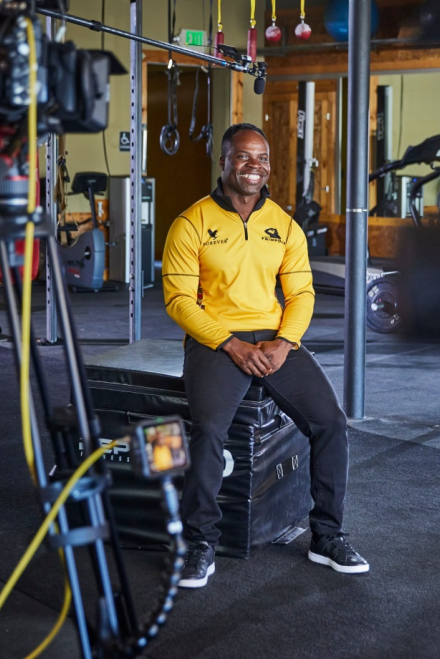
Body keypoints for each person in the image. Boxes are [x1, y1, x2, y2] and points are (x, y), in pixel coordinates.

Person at [162, 123, 369, 588]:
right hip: (217, 340)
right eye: (243, 156)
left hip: (275, 339)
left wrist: (285, 341)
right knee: (208, 430)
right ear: (223, 162)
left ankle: (327, 536)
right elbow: (179, 300)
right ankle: (200, 542)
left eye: (263, 158)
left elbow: (301, 293)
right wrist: (230, 344)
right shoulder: (191, 223)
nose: (254, 166)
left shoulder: (284, 225)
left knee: (331, 422)